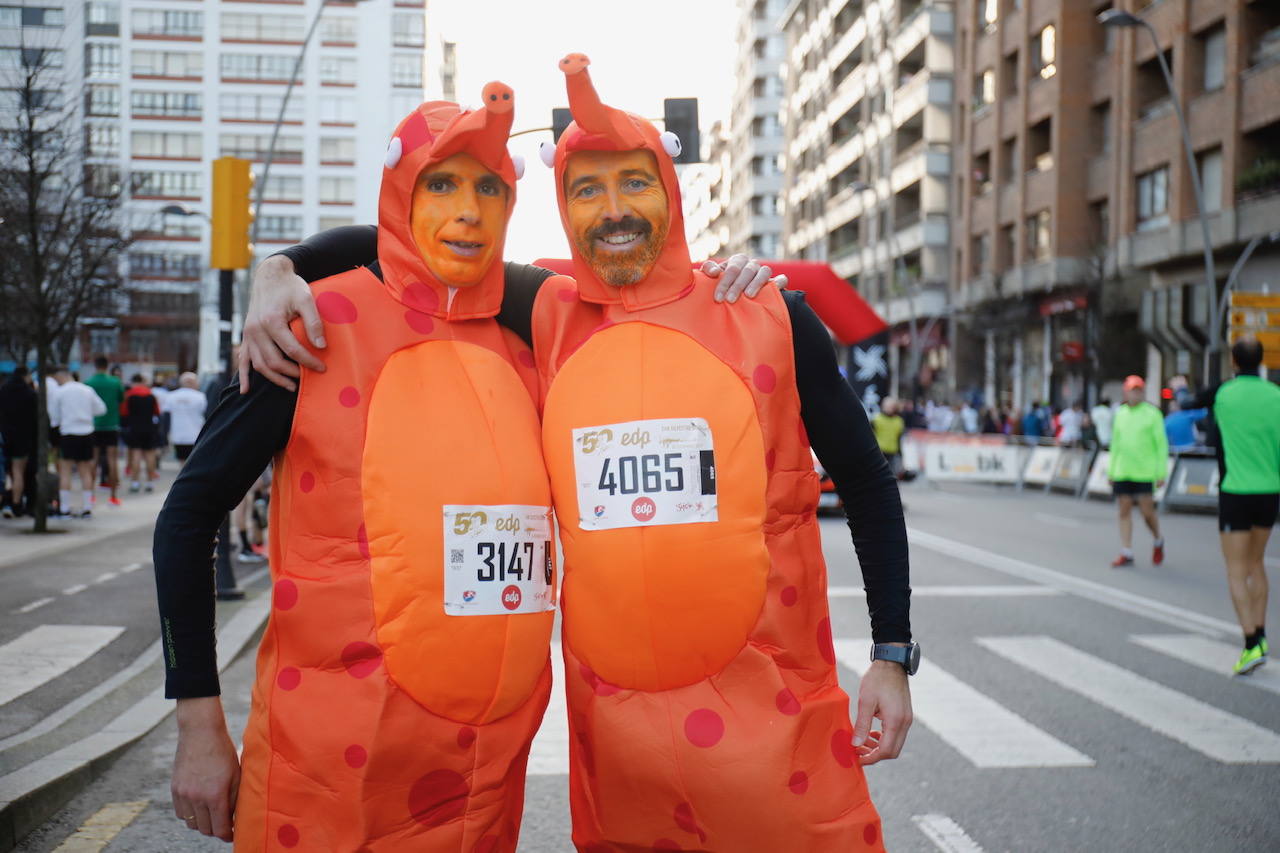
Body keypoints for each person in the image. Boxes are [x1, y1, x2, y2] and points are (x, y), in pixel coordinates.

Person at [248, 55, 913, 852]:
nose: (613, 210)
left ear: (670, 188)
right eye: (586, 191)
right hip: (624, 758)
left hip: (774, 737)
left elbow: (869, 485)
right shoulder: (551, 313)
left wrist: (891, 654)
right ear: (564, 211)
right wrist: (280, 266)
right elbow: (400, 242)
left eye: (634, 183)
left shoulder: (767, 310)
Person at [159, 85, 771, 850]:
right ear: (400, 192)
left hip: (482, 784)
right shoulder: (314, 326)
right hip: (332, 778)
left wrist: (734, 282)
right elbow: (186, 520)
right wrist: (197, 721)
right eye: (440, 183)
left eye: (490, 187)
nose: (468, 210)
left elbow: (645, 279)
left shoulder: (530, 331)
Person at [1192, 337, 1280, 675]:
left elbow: (1188, 402)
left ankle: (1250, 643)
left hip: (1235, 491)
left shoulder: (1223, 393)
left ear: (1233, 360)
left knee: (1236, 569)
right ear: (1261, 361)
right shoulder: (1275, 394)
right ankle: (1261, 634)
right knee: (1257, 563)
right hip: (1270, 492)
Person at [1107, 375, 1167, 568]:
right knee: (1123, 509)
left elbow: (1161, 445)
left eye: (1139, 390)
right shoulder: (1121, 413)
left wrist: (1161, 473)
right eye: (1133, 390)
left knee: (1146, 512)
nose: (1136, 394)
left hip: (1145, 472)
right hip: (1124, 470)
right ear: (1126, 392)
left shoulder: (1152, 413)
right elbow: (1116, 444)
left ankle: (1158, 539)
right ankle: (1126, 550)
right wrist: (1111, 470)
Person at [50, 366, 106, 518]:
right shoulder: (87, 390)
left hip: (68, 432)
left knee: (65, 471)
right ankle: (87, 507)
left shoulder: (59, 392)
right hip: (86, 432)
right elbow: (101, 409)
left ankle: (65, 509)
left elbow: (54, 417)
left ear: (61, 377)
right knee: (85, 471)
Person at [85, 356, 124, 506]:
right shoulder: (115, 382)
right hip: (111, 425)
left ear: (95, 365)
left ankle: (92, 496)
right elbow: (121, 399)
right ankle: (113, 497)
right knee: (112, 461)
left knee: (93, 461)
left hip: (94, 426)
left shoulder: (89, 383)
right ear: (107, 366)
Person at [0, 367, 37, 517]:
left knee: (5, 472)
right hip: (23, 439)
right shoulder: (30, 394)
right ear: (26, 376)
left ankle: (6, 502)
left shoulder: (3, 391)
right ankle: (16, 503)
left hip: (4, 436)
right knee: (18, 471)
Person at [122, 374, 160, 493]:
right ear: (142, 382)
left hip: (134, 428)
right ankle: (150, 482)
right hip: (149, 428)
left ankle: (135, 483)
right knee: (150, 456)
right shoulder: (151, 395)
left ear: (133, 382)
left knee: (136, 456)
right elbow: (157, 412)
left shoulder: (129, 395)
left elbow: (124, 412)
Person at [164, 372, 207, 462]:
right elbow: (206, 413)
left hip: (177, 435)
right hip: (195, 434)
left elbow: (166, 417)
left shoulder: (171, 396)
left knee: (182, 460)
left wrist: (165, 434)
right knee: (193, 460)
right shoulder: (200, 396)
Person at [873, 397, 906, 475]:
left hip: (892, 452)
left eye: (890, 406)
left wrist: (901, 455)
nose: (887, 408)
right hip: (879, 452)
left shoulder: (899, 421)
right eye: (886, 406)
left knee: (892, 475)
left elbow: (899, 439)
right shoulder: (877, 419)